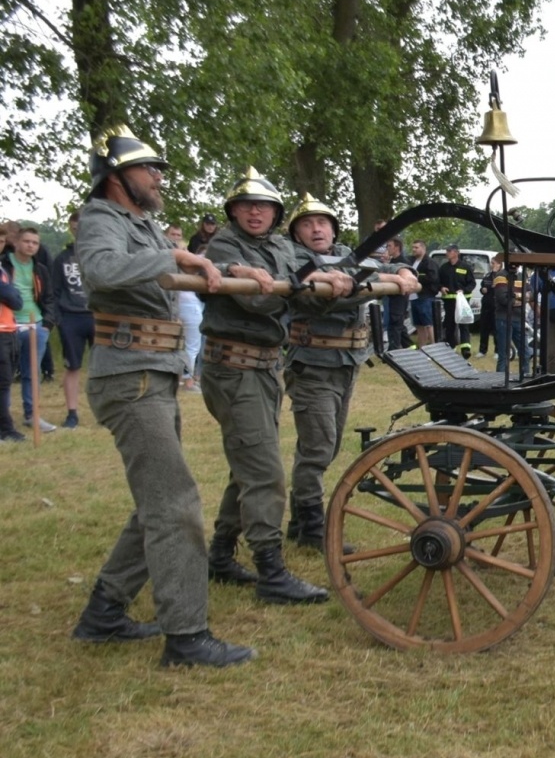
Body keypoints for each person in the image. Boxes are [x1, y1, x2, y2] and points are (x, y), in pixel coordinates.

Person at [70, 125, 253, 667]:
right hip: (129, 378)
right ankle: (187, 637)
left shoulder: (142, 224)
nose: (157, 178)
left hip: (153, 373)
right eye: (149, 169)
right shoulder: (101, 218)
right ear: (117, 177)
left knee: (157, 499)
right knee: (175, 505)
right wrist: (175, 257)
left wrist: (228, 269)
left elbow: (177, 269)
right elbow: (101, 270)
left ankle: (103, 614)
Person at [200, 167, 352, 602]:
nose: (255, 212)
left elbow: (305, 288)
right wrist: (299, 285)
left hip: (265, 367)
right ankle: (271, 572)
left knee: (247, 466)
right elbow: (256, 299)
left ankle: (220, 554)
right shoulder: (225, 244)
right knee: (265, 471)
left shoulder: (280, 247)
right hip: (233, 368)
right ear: (233, 211)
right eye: (247, 206)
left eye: (264, 206)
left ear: (275, 213)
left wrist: (329, 283)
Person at [282, 194, 419, 551]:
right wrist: (362, 284)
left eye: (322, 223)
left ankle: (299, 522)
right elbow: (323, 298)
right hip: (312, 364)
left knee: (326, 446)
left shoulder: (345, 254)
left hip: (346, 364)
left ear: (333, 229)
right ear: (296, 233)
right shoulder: (292, 259)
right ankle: (312, 528)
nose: (316, 230)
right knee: (318, 448)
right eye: (307, 224)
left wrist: (404, 272)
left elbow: (383, 267)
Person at [4, 227, 57, 432]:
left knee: (32, 372)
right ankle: (4, 419)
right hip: (8, 325)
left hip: (36, 324)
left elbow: (49, 297)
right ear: (17, 242)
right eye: (27, 241)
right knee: (5, 373)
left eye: (35, 243)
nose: (30, 246)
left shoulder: (40, 269)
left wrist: (47, 325)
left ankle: (31, 415)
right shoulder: (4, 264)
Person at [47, 211, 97, 426]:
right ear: (71, 229)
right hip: (70, 318)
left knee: (101, 367)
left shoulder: (98, 255)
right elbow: (54, 291)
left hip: (96, 315)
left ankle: (103, 413)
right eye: (76, 228)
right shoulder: (62, 258)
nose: (79, 232)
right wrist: (59, 319)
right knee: (73, 366)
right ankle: (72, 413)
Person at [490, 260, 531, 373]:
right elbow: (503, 299)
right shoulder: (500, 276)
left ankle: (525, 378)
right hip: (504, 318)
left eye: (517, 264)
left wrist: (514, 296)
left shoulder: (522, 275)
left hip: (519, 318)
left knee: (525, 353)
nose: (516, 266)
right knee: (504, 354)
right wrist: (521, 298)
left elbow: (530, 295)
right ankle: (500, 380)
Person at [436, 243, 476, 354]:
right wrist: (441, 288)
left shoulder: (465, 267)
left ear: (456, 253)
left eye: (449, 251)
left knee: (464, 323)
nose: (447, 253)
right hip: (449, 301)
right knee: (449, 324)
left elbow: (472, 283)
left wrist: (464, 290)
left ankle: (465, 349)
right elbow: (438, 282)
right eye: (447, 251)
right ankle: (451, 346)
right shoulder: (444, 268)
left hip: (463, 301)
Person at [0, 257, 21, 441]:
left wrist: (9, 291)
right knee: (2, 383)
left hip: (10, 331)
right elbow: (11, 294)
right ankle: (6, 429)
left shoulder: (3, 268)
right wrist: (8, 291)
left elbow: (17, 301)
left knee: (6, 382)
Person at [408, 240, 439, 347]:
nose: (414, 250)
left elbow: (433, 278)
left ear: (423, 248)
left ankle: (434, 346)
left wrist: (416, 277)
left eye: (416, 247)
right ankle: (422, 347)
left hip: (425, 296)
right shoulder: (411, 261)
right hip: (413, 297)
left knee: (428, 323)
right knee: (418, 325)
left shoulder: (430, 262)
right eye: (413, 247)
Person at [477, 255, 500, 359]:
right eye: (491, 263)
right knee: (484, 328)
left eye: (493, 263)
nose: (492, 265)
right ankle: (482, 350)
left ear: (499, 264)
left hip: (497, 305)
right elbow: (482, 286)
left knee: (496, 329)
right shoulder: (487, 275)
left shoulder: (501, 276)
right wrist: (482, 290)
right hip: (486, 304)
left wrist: (495, 272)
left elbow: (497, 286)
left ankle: (497, 351)